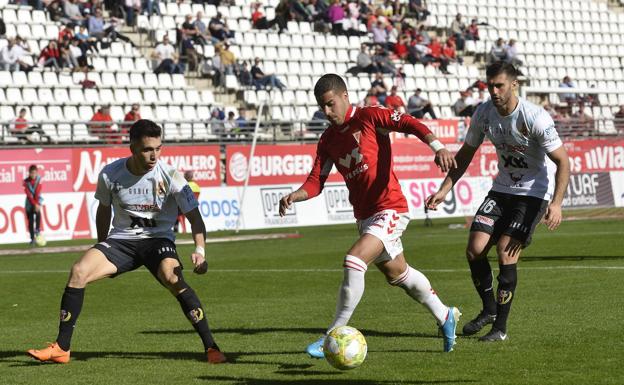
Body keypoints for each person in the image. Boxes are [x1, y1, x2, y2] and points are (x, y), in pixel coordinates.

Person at [278, 74, 461, 357]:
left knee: (353, 260)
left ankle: (331, 336)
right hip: (365, 216)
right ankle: (445, 314)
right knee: (399, 274)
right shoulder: (327, 140)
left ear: (344, 96)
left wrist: (438, 147)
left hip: (390, 208)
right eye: (321, 107)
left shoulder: (370, 117)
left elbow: (409, 123)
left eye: (330, 104)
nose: (326, 113)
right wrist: (295, 195)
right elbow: (316, 182)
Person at [27, 120, 227, 364]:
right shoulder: (110, 173)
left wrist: (200, 251)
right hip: (121, 242)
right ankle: (62, 348)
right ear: (132, 148)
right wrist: (101, 245)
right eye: (147, 149)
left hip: (158, 241)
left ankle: (211, 348)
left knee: (172, 277)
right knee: (79, 271)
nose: (154, 155)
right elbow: (103, 210)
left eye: (158, 148)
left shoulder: (172, 177)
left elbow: (196, 218)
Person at [426, 62, 570, 342]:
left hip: (532, 194)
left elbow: (563, 160)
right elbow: (466, 153)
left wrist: (557, 203)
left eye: (499, 85)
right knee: (474, 249)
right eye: (489, 85)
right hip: (501, 190)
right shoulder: (484, 113)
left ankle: (500, 328)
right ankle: (489, 309)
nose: (493, 91)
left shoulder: (534, 117)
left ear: (514, 84)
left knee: (506, 251)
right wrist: (444, 189)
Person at [23, 165, 43, 247]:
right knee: (30, 221)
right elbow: (29, 195)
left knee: (38, 213)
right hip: (29, 203)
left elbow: (37, 192)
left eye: (35, 173)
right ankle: (32, 239)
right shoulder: (26, 182)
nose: (33, 175)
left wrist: (37, 204)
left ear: (37, 173)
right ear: (29, 173)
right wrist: (34, 204)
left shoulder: (39, 180)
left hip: (36, 200)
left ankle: (37, 230)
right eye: (32, 173)